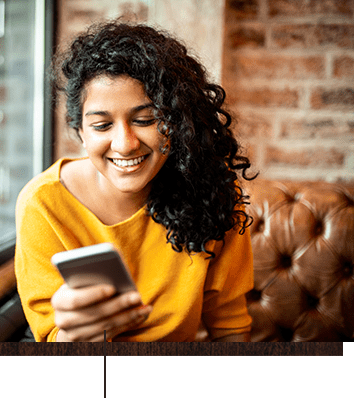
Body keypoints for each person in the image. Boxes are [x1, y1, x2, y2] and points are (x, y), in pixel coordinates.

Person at [14, 21, 255, 342]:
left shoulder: (212, 191)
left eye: (145, 120)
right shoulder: (43, 204)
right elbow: (52, 340)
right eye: (101, 125)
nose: (125, 143)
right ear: (81, 132)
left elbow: (230, 329)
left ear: (176, 121)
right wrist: (77, 336)